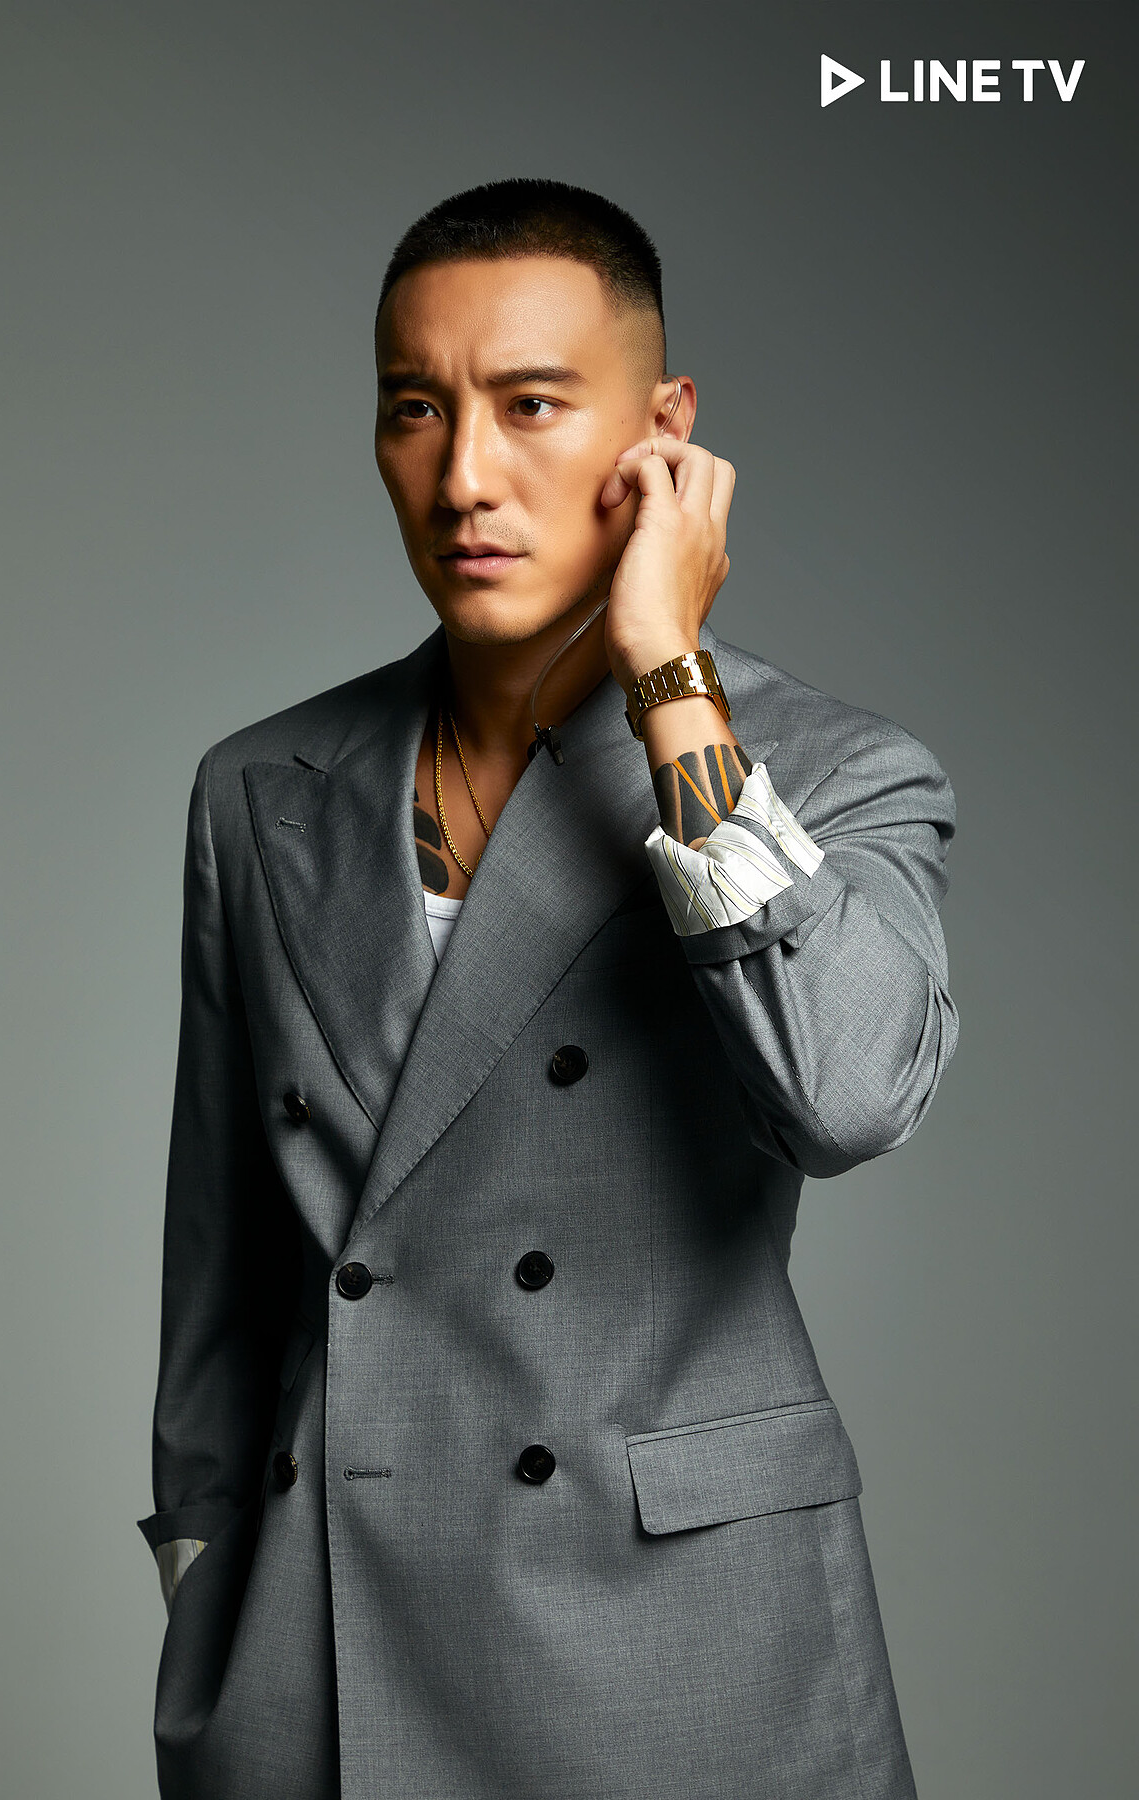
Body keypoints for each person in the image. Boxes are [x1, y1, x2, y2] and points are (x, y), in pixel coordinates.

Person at [139, 178, 958, 1800]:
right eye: (415, 410)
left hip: (673, 1652)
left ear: (665, 432)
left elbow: (850, 1095)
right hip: (324, 1646)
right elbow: (220, 1261)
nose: (464, 476)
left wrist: (670, 674)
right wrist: (206, 1593)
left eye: (529, 405)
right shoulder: (263, 789)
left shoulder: (833, 770)